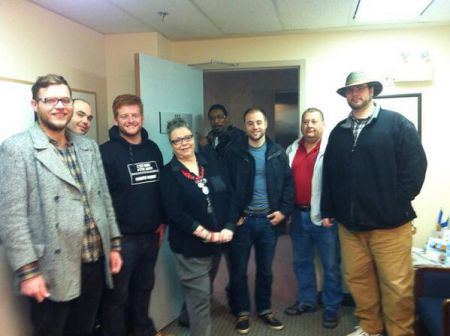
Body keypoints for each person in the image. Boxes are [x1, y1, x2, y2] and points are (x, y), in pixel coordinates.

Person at [0, 74, 122, 336]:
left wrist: (113, 245)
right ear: (35, 104)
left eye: (65, 99)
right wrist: (28, 271)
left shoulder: (88, 147)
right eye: (50, 100)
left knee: (84, 329)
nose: (59, 106)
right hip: (51, 267)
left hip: (93, 262)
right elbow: (11, 218)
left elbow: (103, 201)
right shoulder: (17, 148)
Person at [322, 71, 427, 336]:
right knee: (359, 283)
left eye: (360, 89)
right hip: (351, 228)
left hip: (391, 227)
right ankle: (370, 328)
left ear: (371, 91)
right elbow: (330, 175)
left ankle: (399, 332)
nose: (354, 94)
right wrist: (330, 209)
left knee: (397, 288)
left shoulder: (397, 124)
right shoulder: (338, 132)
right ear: (345, 95)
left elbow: (415, 169)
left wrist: (395, 203)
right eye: (350, 90)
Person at [99, 94, 170, 336]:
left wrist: (162, 224)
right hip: (121, 240)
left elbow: (160, 189)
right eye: (124, 116)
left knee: (143, 290)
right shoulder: (105, 152)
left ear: (142, 116)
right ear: (116, 119)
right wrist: (110, 241)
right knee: (117, 298)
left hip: (150, 237)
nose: (130, 120)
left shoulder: (153, 148)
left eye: (134, 115)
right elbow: (101, 199)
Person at [160, 117, 238, 336]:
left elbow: (230, 195)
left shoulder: (210, 162)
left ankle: (187, 317)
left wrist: (230, 226)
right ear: (171, 144)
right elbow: (174, 213)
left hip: (218, 244)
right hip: (190, 247)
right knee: (201, 299)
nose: (184, 143)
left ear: (193, 137)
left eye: (186, 137)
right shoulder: (169, 174)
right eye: (177, 141)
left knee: (201, 291)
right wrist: (206, 234)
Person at [224, 107, 294, 334]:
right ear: (245, 126)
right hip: (243, 222)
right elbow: (227, 188)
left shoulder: (277, 152)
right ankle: (242, 311)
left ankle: (264, 309)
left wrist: (283, 212)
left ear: (266, 124)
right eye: (250, 123)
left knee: (265, 269)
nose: (255, 127)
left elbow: (288, 184)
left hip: (268, 222)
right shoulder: (234, 152)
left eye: (259, 122)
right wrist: (234, 217)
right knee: (238, 269)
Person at [178, 103, 244, 327]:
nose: (216, 121)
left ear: (226, 117)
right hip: (211, 210)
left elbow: (231, 168)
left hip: (231, 207)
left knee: (236, 265)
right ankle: (192, 311)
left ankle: (237, 306)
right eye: (212, 118)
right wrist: (204, 147)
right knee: (206, 270)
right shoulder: (205, 140)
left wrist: (236, 214)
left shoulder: (237, 138)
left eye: (219, 117)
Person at [285, 107, 342, 328]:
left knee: (330, 265)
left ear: (322, 124)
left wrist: (332, 212)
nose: (309, 125)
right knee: (301, 262)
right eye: (306, 121)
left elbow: (340, 185)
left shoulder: (332, 149)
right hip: (298, 216)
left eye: (314, 121)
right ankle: (307, 301)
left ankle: (331, 308)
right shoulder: (292, 149)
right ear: (301, 124)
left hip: (325, 218)